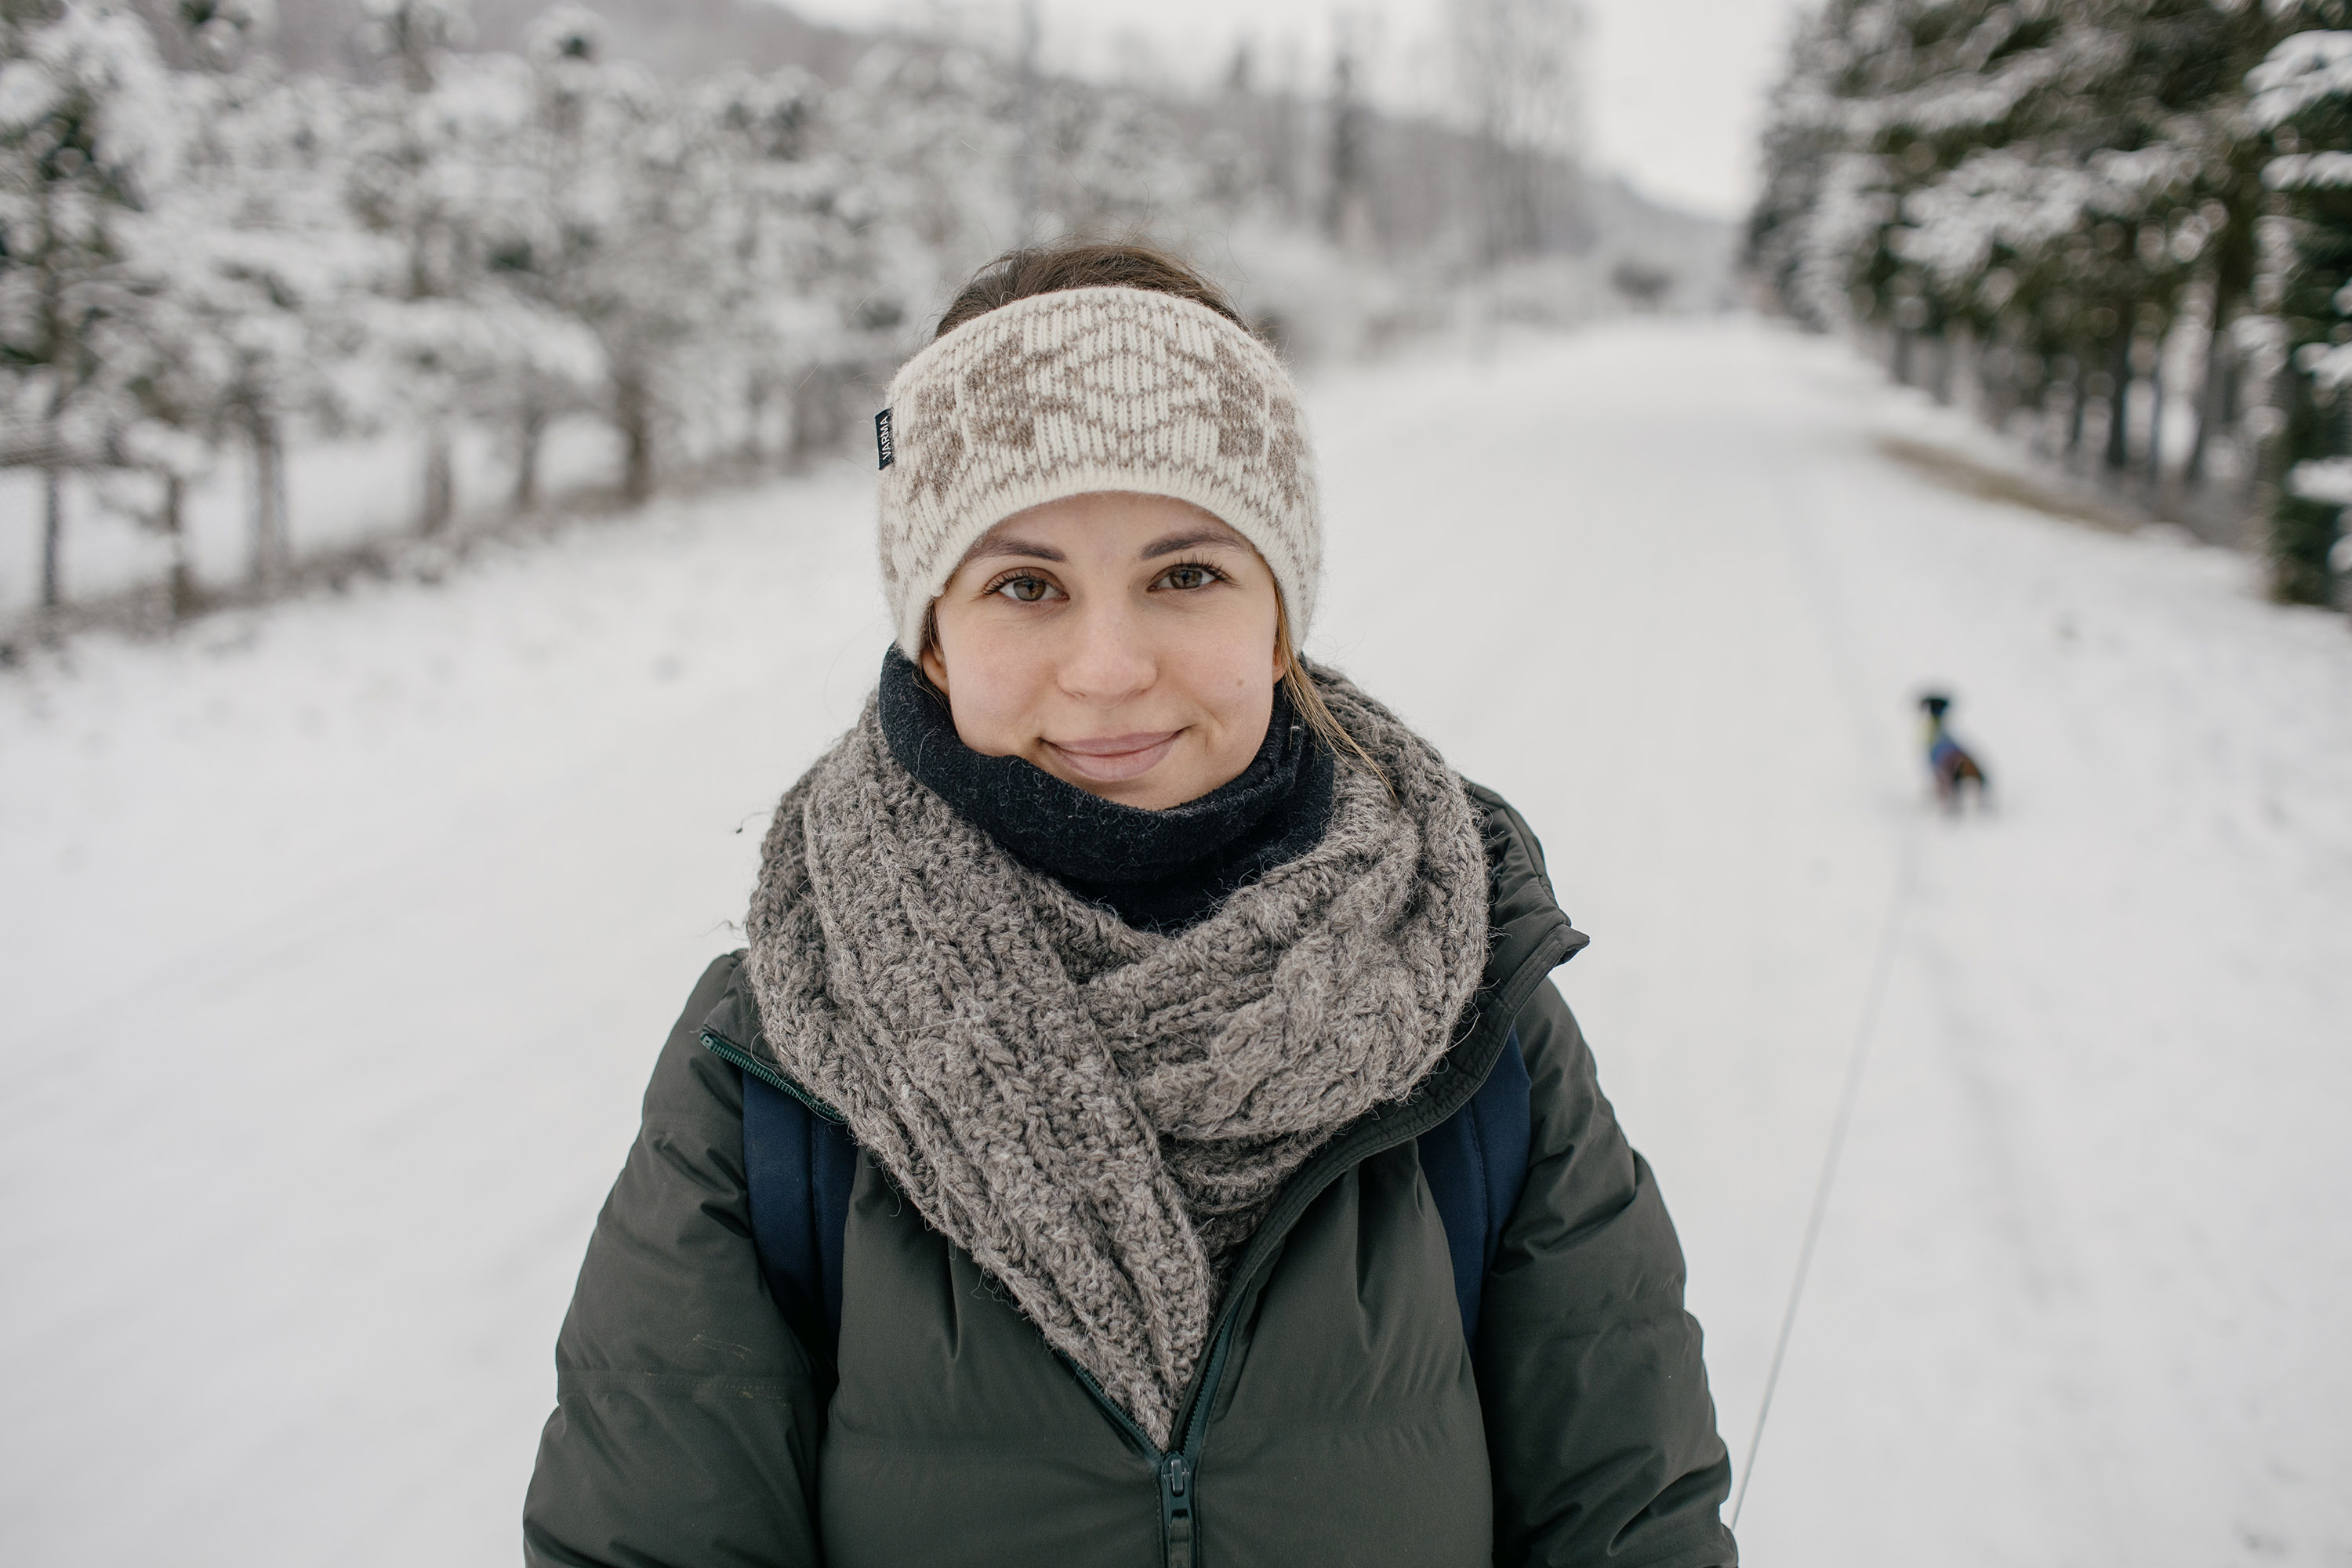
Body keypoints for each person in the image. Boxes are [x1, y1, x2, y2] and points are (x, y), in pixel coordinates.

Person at [522, 241, 1737, 1568]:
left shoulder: (1468, 1011)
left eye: (1186, 574)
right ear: (934, 635)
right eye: (1024, 586)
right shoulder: (773, 1069)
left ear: (1280, 616)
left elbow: (1633, 1529)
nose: (1108, 669)